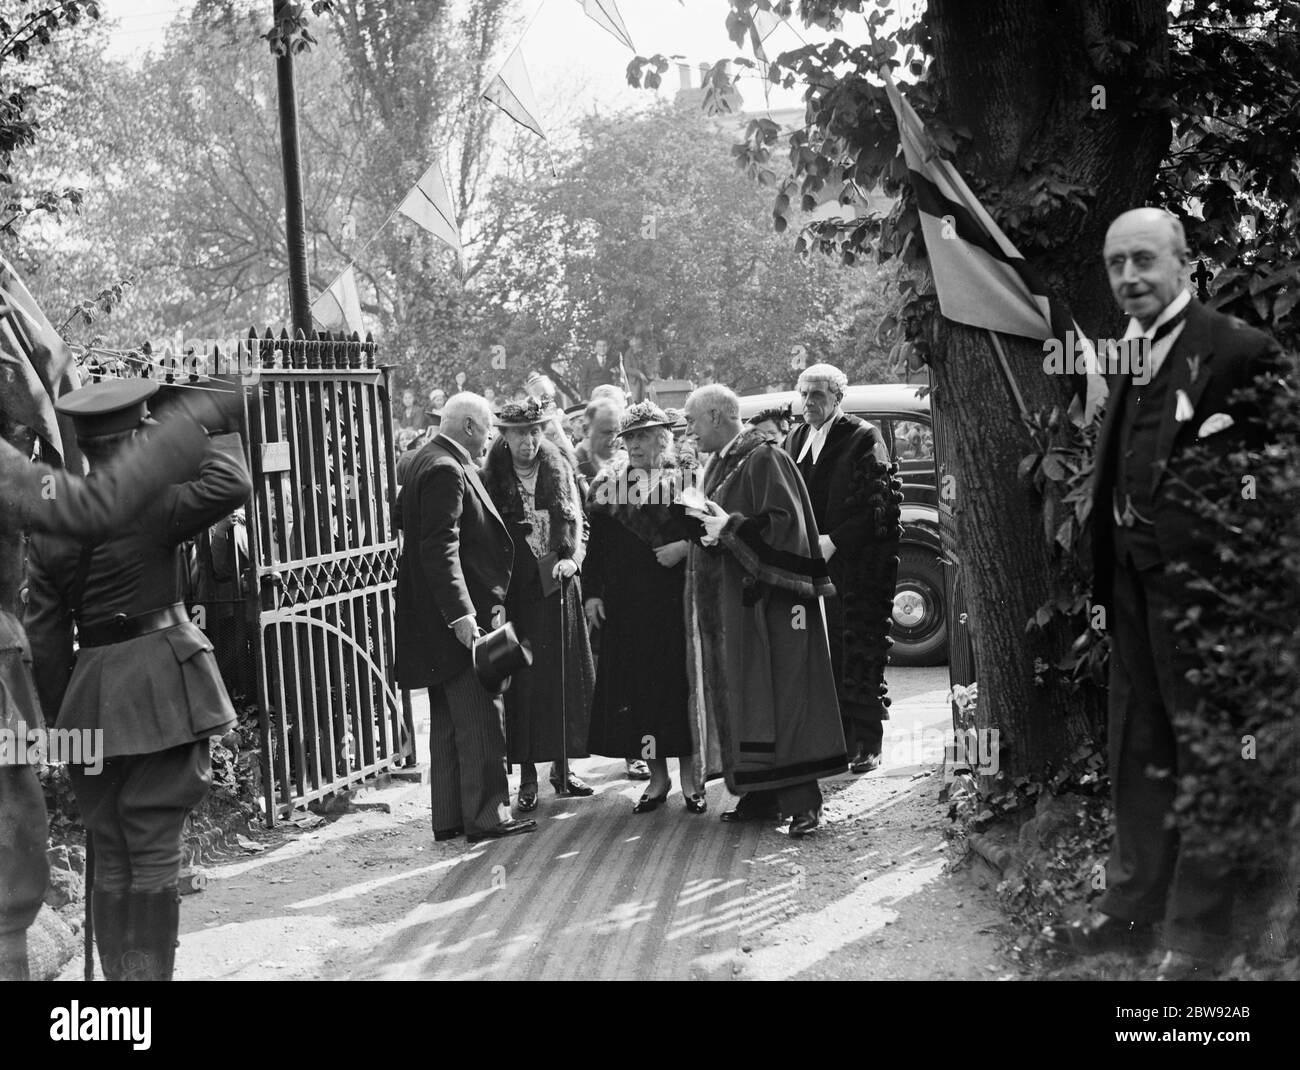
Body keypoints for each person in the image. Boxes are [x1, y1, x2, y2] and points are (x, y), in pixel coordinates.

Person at [1072, 207, 1288, 979]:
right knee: (1139, 746)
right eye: (1116, 264)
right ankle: (1130, 908)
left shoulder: (1239, 351)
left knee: (1209, 752)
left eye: (1144, 261)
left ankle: (1198, 939)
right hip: (1130, 584)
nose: (1130, 277)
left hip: (1205, 594)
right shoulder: (1127, 354)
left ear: (1184, 264)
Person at [24, 378, 252, 982]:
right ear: (137, 435)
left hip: (89, 704)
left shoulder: (53, 524)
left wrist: (64, 720)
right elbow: (234, 481)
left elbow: (45, 641)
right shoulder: (152, 502)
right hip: (162, 696)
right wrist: (174, 433)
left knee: (113, 856)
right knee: (152, 857)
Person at [681, 384, 846, 836]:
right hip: (735, 606)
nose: (689, 431)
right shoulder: (723, 462)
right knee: (749, 701)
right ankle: (759, 793)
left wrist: (729, 527)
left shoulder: (765, 457)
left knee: (781, 700)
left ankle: (804, 803)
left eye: (693, 421)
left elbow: (785, 528)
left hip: (771, 608)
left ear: (716, 416)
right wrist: (709, 527)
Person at [394, 392, 536, 843]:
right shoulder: (445, 468)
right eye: (488, 427)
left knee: (450, 722)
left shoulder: (425, 459)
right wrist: (462, 615)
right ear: (470, 427)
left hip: (435, 618)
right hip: (457, 618)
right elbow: (440, 547)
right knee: (480, 716)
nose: (492, 436)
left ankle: (452, 816)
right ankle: (488, 817)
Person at [585, 402, 703, 813]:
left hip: (674, 604)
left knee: (677, 689)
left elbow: (709, 536)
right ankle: (657, 778)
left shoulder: (686, 480)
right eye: (629, 438)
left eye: (643, 436)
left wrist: (684, 548)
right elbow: (596, 550)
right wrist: (593, 594)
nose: (634, 445)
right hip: (626, 607)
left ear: (663, 439)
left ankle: (691, 780)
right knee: (639, 692)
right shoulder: (608, 486)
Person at [785, 364, 903, 774]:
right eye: (805, 394)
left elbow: (882, 507)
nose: (810, 403)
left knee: (857, 649)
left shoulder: (862, 437)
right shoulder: (795, 437)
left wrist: (833, 542)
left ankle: (868, 742)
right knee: (822, 654)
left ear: (838, 398)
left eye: (818, 395)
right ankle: (834, 741)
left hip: (854, 567)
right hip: (810, 565)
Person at [482, 397, 595, 808]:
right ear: (504, 437)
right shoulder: (490, 479)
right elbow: (483, 544)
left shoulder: (559, 467)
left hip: (557, 585)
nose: (529, 441)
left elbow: (580, 524)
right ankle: (527, 776)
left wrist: (574, 561)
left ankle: (563, 769)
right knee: (523, 683)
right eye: (519, 433)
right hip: (516, 593)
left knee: (562, 676)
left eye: (534, 431)